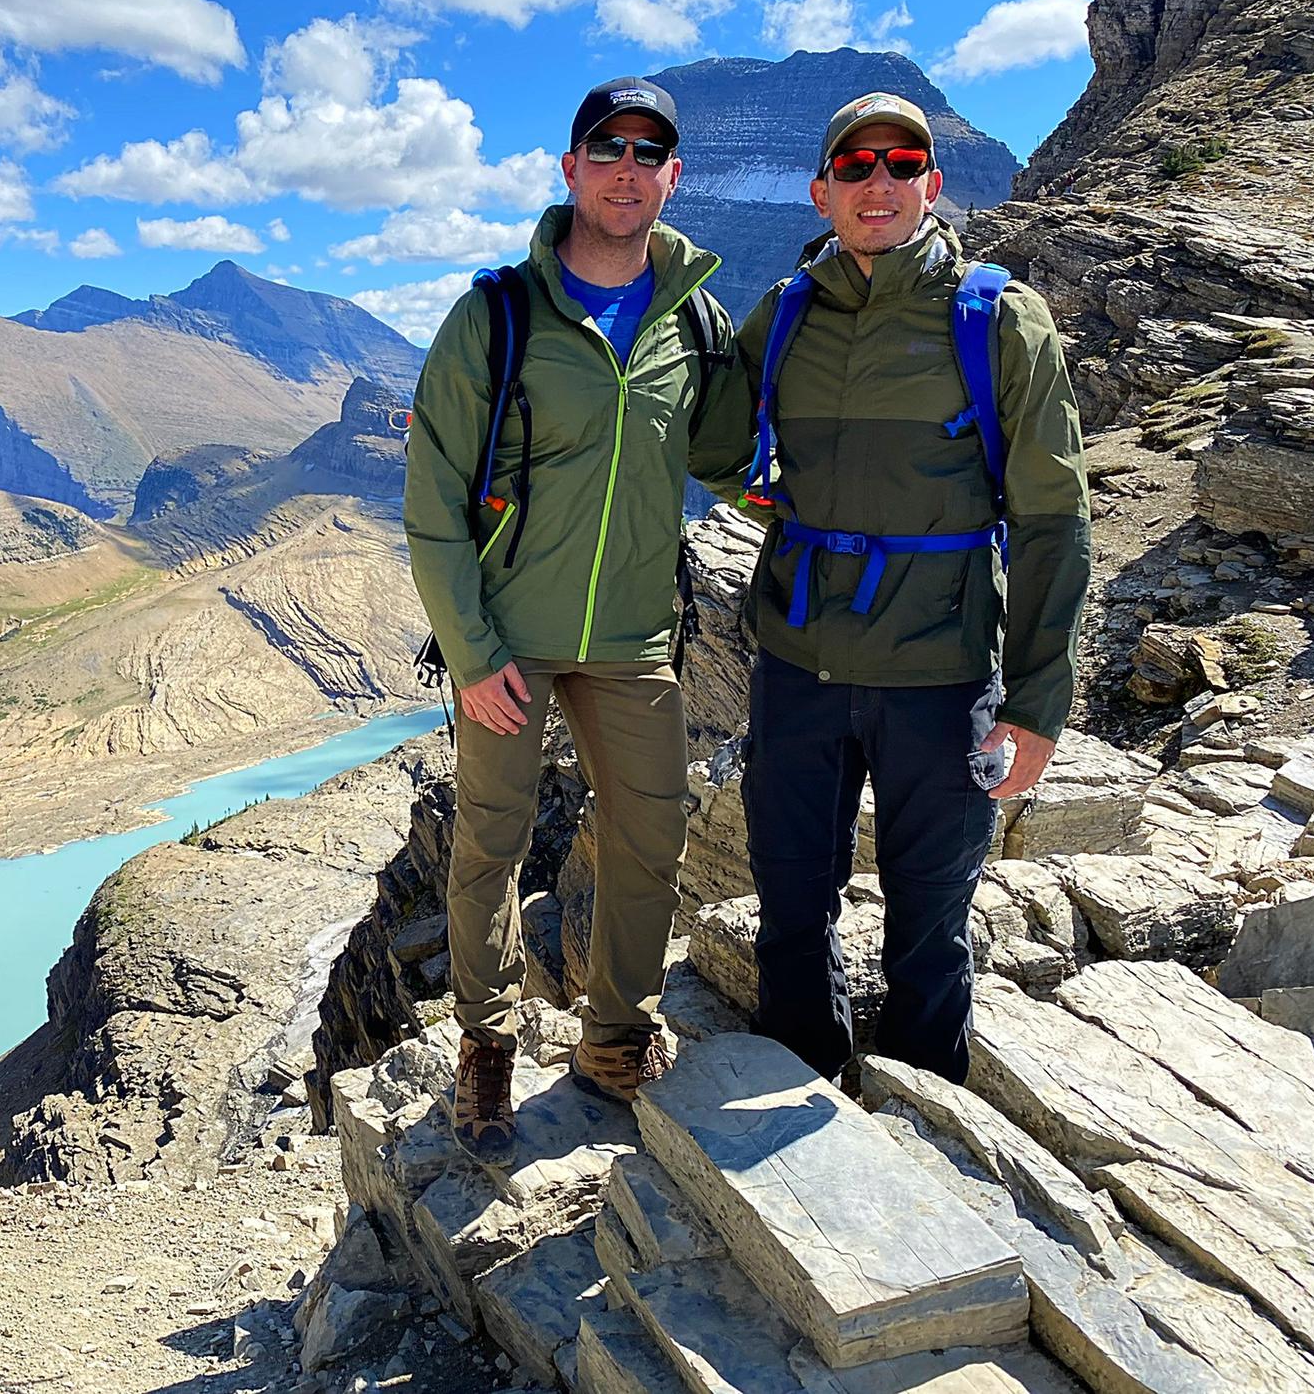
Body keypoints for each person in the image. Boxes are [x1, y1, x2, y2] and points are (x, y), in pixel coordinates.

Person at [403, 77, 754, 1162]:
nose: (626, 166)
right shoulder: (495, 316)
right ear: (568, 169)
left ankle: (614, 1039)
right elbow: (430, 500)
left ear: (671, 176)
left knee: (647, 837)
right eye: (605, 147)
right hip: (509, 639)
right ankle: (487, 1049)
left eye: (649, 151)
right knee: (489, 849)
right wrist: (470, 652)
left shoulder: (692, 319)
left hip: (636, 638)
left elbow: (728, 459)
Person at [730, 92, 1092, 1086]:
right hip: (797, 668)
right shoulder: (786, 311)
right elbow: (712, 433)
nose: (876, 183)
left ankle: (924, 1112)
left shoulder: (994, 319)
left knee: (928, 920)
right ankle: (796, 1112)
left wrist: (1033, 706)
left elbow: (1053, 519)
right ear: (822, 193)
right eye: (854, 168)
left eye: (899, 165)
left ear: (931, 186)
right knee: (790, 909)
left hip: (939, 673)